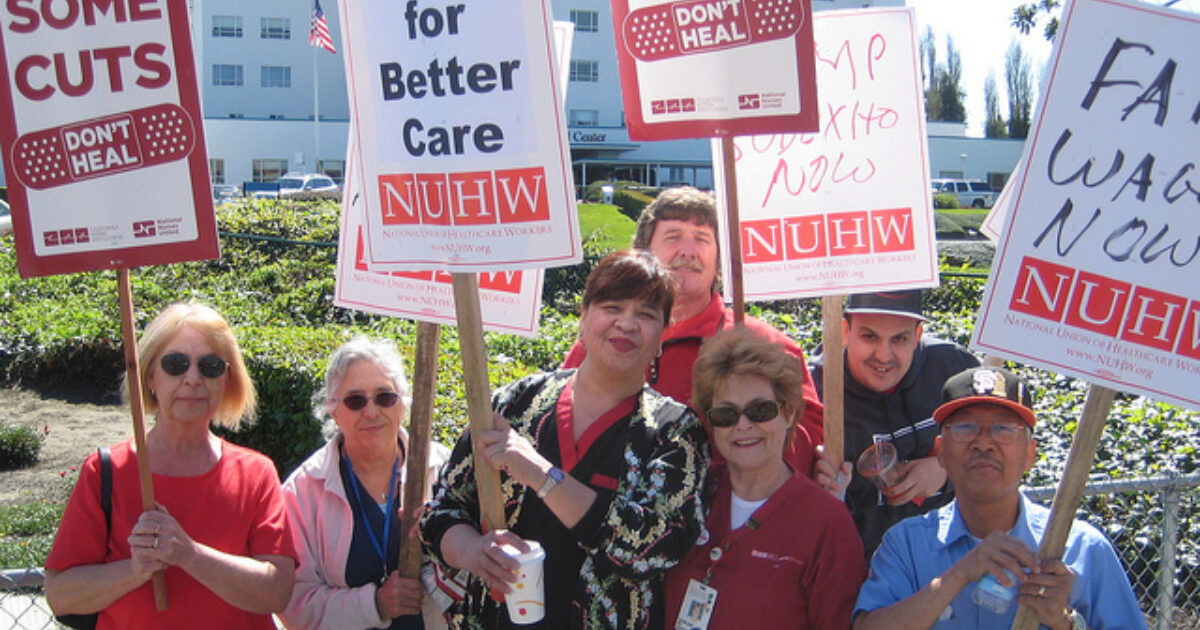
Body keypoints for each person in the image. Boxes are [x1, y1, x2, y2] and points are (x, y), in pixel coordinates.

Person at [420, 250, 709, 629]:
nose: (626, 323)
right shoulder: (514, 405)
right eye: (612, 307)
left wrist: (541, 474)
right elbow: (441, 511)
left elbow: (655, 546)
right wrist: (473, 551)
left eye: (646, 314)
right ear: (583, 317)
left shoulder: (675, 432)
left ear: (662, 335)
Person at [45, 302, 296, 629]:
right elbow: (61, 596)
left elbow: (277, 592)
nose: (192, 379)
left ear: (227, 379)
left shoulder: (256, 474)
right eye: (175, 364)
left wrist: (190, 554)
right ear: (150, 376)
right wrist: (134, 570)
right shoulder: (105, 471)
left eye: (210, 366)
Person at [853, 367, 1146, 630]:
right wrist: (957, 576)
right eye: (966, 428)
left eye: (1003, 429)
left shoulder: (1081, 549)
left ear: (1030, 454)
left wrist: (1065, 622)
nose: (983, 443)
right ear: (940, 452)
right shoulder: (906, 546)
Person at [561, 186, 824, 475]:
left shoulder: (766, 345)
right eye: (673, 237)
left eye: (701, 239)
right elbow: (559, 422)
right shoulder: (606, 340)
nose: (688, 251)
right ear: (645, 251)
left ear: (719, 258)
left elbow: (807, 449)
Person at [664, 328, 865, 629]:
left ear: (788, 414)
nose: (743, 425)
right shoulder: (688, 495)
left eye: (760, 410)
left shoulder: (826, 523)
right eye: (726, 415)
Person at [279, 336, 452, 630]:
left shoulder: (444, 469)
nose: (371, 412)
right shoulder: (302, 491)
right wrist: (375, 604)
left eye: (385, 397)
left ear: (403, 405)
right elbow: (295, 605)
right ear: (334, 412)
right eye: (355, 400)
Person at [810, 290, 979, 559]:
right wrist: (825, 497)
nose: (883, 355)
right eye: (869, 336)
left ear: (918, 335)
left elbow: (997, 454)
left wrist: (947, 470)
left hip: (953, 558)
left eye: (899, 339)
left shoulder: (952, 368)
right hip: (863, 567)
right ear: (844, 331)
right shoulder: (816, 391)